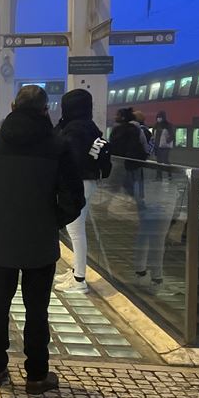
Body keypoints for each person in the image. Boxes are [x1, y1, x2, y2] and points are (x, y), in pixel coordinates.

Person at [0, 86, 84, 394]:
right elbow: (74, 199)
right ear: (46, 110)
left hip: (0, 242)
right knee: (36, 310)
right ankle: (36, 375)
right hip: (40, 245)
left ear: (14, 106)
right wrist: (51, 222)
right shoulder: (58, 145)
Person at [53, 89, 110, 294]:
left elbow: (71, 159)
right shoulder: (88, 126)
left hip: (79, 181)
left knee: (75, 231)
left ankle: (79, 280)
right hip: (87, 180)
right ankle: (77, 270)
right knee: (75, 230)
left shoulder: (75, 129)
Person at [110, 107, 148, 206]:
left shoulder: (117, 129)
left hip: (121, 162)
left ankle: (132, 202)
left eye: (117, 114)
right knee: (135, 182)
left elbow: (113, 146)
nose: (115, 116)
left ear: (122, 117)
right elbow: (143, 144)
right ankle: (138, 202)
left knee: (123, 184)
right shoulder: (136, 129)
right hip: (134, 161)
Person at [152, 111, 174, 180]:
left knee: (165, 160)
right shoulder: (155, 125)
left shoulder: (168, 125)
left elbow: (172, 135)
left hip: (165, 146)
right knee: (158, 162)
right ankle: (159, 176)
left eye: (160, 117)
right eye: (158, 117)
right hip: (157, 146)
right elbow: (153, 134)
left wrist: (168, 140)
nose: (159, 119)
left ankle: (169, 174)